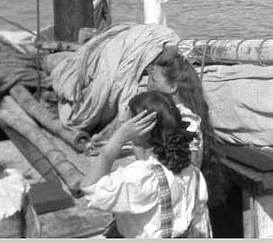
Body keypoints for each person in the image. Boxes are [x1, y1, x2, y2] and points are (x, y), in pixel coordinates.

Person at [82, 91, 210, 238]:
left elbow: (91, 187)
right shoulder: (191, 171)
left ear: (144, 130)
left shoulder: (141, 177)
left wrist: (119, 138)